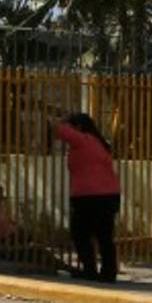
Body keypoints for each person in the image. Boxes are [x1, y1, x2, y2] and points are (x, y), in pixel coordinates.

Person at [54, 113, 121, 283]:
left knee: (80, 234)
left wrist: (62, 121)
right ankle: (108, 273)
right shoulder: (98, 142)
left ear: (78, 127)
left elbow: (59, 130)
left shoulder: (83, 140)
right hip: (108, 194)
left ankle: (90, 269)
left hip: (89, 196)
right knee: (104, 236)